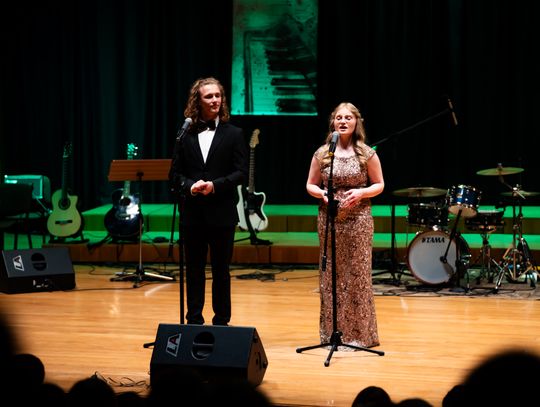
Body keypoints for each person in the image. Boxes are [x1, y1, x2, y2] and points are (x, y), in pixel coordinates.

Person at [169, 77, 248, 326]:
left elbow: (241, 173)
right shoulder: (184, 134)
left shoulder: (234, 133)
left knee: (221, 271)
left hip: (222, 212)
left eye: (218, 95)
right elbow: (175, 174)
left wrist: (215, 185)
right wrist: (189, 186)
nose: (215, 100)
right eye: (209, 96)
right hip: (192, 213)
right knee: (193, 270)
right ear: (198, 101)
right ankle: (193, 320)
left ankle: (221, 322)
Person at [306, 102, 384, 349]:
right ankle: (333, 334)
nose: (343, 121)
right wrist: (322, 194)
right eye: (339, 117)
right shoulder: (323, 153)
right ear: (333, 122)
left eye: (348, 117)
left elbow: (379, 184)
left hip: (359, 218)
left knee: (358, 274)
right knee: (331, 274)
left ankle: (361, 335)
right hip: (329, 218)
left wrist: (361, 193)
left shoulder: (366, 153)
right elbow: (310, 184)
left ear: (356, 122)